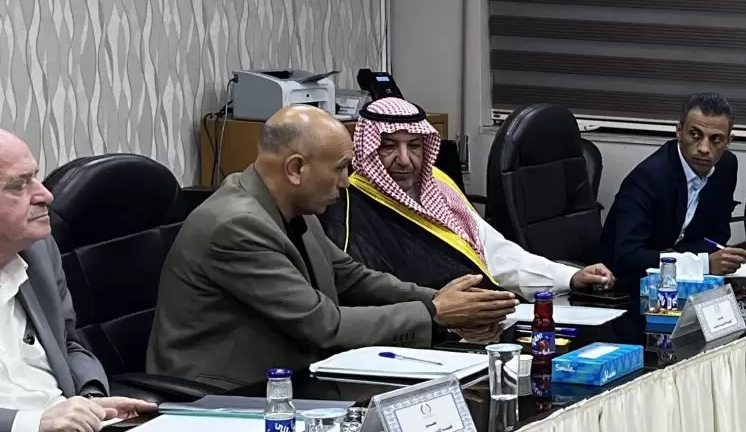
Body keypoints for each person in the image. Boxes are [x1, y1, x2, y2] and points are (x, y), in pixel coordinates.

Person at [149, 107, 517, 390]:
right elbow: (324, 324)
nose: (346, 182)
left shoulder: (291, 205)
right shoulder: (236, 226)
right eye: (340, 169)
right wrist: (435, 313)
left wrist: (446, 301)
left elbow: (351, 278)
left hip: (292, 373)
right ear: (296, 169)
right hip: (224, 393)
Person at [325, 98, 614, 298]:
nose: (404, 159)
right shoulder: (348, 205)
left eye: (414, 146)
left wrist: (568, 277)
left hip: (483, 315)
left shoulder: (437, 183)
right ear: (367, 149)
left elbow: (494, 253)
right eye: (388, 146)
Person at [0, 129, 153, 432]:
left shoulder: (39, 250)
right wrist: (34, 424)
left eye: (35, 178)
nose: (46, 195)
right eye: (18, 185)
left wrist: (89, 399)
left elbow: (68, 344)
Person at [600, 91, 746, 283]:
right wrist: (701, 264)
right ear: (679, 132)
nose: (704, 149)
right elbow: (627, 257)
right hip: (622, 284)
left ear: (728, 141)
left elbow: (717, 235)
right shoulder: (648, 178)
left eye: (715, 139)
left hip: (681, 281)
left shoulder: (726, 166)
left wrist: (688, 258)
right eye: (695, 135)